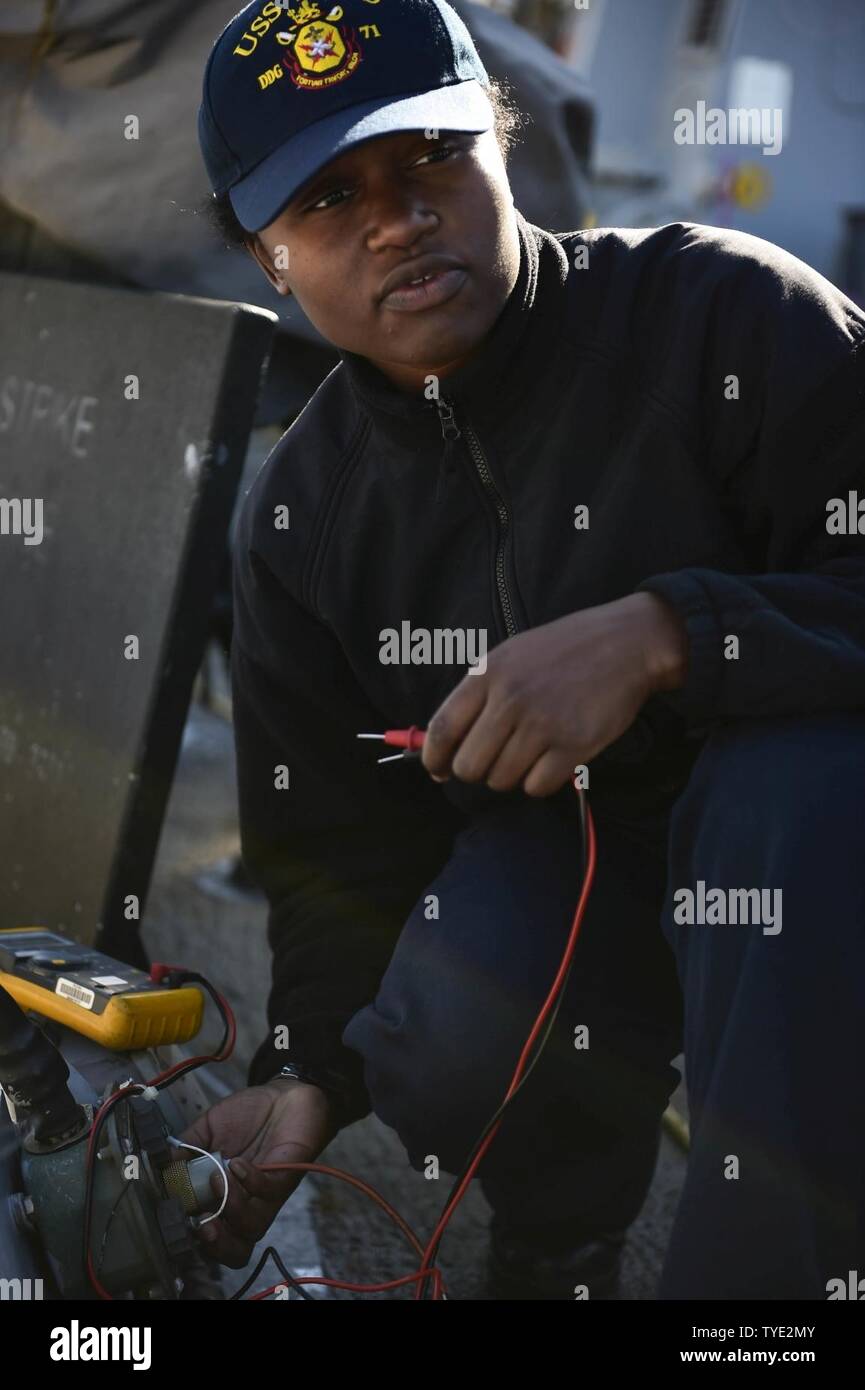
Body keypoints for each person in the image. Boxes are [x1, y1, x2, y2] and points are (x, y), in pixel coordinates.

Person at [182, 0, 865, 1299]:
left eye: (430, 154)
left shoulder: (730, 315)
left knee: (788, 798)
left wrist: (672, 631)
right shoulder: (298, 519)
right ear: (268, 258)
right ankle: (559, 1243)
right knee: (439, 1021)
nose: (396, 216)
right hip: (589, 871)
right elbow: (335, 850)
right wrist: (306, 1072)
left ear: (500, 140)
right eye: (329, 198)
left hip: (807, 857)